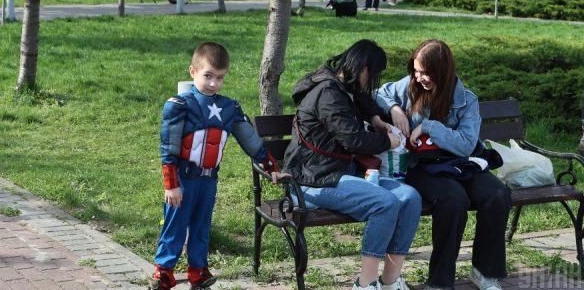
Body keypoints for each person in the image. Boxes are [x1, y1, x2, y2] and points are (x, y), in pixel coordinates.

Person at [283, 40, 421, 290]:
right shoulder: (328, 92)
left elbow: (365, 101)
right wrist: (387, 141)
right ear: (364, 69)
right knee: (385, 203)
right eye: (374, 75)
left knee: (410, 198)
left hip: (340, 173)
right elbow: (353, 140)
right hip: (311, 179)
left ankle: (390, 282)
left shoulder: (344, 86)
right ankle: (365, 284)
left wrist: (378, 118)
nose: (372, 81)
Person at [375, 40, 511, 290]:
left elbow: (467, 145)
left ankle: (485, 272)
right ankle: (440, 282)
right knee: (453, 200)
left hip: (460, 162)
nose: (419, 77)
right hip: (421, 165)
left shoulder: (466, 100)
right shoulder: (410, 86)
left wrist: (429, 127)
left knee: (497, 194)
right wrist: (394, 108)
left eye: (425, 72)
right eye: (416, 71)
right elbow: (378, 93)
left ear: (443, 71)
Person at [152, 42, 281, 290]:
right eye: (208, 76)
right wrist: (171, 185)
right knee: (175, 225)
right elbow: (168, 147)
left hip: (209, 180)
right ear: (193, 72)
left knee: (201, 226)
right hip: (184, 178)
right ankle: (164, 271)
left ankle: (198, 270)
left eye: (219, 78)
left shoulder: (228, 108)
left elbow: (250, 140)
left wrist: (271, 167)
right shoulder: (179, 105)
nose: (213, 83)